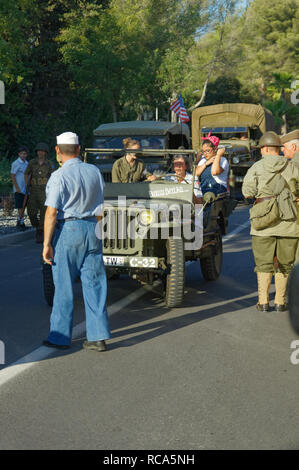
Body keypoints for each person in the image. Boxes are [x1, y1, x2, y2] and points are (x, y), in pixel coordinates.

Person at [42, 132, 110, 351]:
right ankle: (98, 337)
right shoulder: (94, 172)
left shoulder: (58, 176)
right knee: (95, 284)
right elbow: (101, 206)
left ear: (57, 151)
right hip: (93, 227)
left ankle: (60, 337)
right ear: (79, 149)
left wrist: (46, 243)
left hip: (68, 229)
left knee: (63, 286)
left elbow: (52, 212)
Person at [242, 131, 299, 312]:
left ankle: (264, 302)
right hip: (289, 222)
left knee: (263, 263)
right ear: (278, 149)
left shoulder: (256, 168)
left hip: (262, 223)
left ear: (265, 148)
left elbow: (247, 192)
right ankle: (281, 302)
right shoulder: (292, 167)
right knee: (286, 263)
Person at [24, 142, 54, 243]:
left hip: (45, 192)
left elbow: (53, 177)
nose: (40, 153)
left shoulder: (49, 164)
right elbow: (26, 173)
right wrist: (26, 185)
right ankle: (37, 226)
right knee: (31, 212)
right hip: (33, 191)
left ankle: (40, 231)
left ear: (46, 152)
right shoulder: (32, 162)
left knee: (43, 213)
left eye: (42, 151)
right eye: (38, 151)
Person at [10, 146, 29, 230]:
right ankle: (20, 222)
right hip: (19, 189)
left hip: (25, 189)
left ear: (26, 154)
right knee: (20, 206)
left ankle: (20, 221)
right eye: (21, 153)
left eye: (24, 154)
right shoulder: (15, 163)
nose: (23, 155)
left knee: (24, 206)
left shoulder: (26, 163)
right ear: (19, 154)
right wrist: (17, 188)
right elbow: (12, 176)